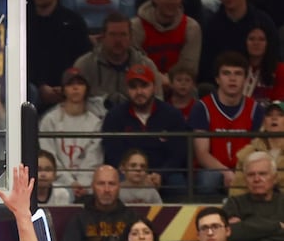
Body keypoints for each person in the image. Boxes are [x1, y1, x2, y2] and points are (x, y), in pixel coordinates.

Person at [99, 64, 187, 200]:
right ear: (127, 90)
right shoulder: (114, 116)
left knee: (178, 183)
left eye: (144, 86)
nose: (139, 92)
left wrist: (161, 174)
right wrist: (135, 174)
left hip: (163, 173)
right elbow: (112, 153)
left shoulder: (172, 114)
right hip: (127, 172)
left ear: (154, 87)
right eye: (133, 87)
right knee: (113, 181)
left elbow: (178, 153)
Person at [190, 50, 265, 197]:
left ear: (245, 79)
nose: (232, 79)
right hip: (214, 170)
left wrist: (240, 173)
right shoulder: (202, 107)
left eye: (238, 74)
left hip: (245, 167)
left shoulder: (255, 109)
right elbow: (202, 154)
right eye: (226, 73)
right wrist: (226, 172)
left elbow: (259, 149)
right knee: (208, 180)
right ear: (217, 79)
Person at [199, 0, 279, 84]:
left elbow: (274, 56)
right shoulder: (212, 26)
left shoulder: (263, 22)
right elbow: (206, 65)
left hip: (260, 85)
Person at [71, 13, 163, 109]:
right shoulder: (85, 65)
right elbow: (74, 104)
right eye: (113, 34)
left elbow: (158, 104)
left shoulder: (146, 65)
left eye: (123, 34)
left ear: (130, 37)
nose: (118, 40)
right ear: (103, 37)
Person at [223, 148, 284, 241]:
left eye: (262, 174)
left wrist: (247, 229)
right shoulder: (235, 203)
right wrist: (277, 226)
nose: (257, 179)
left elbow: (238, 232)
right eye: (251, 175)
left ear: (274, 178)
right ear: (245, 179)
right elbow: (229, 234)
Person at [38, 67, 102, 195]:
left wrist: (82, 185)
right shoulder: (49, 120)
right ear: (63, 89)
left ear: (87, 88)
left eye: (80, 84)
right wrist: (70, 183)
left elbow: (93, 160)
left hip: (87, 186)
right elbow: (49, 158)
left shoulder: (95, 123)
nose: (75, 88)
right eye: (70, 84)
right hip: (57, 186)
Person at [130, 0, 201, 83]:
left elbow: (189, 69)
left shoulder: (191, 28)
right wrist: (160, 80)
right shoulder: (136, 27)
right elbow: (135, 67)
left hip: (180, 87)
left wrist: (169, 81)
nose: (172, 1)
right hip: (145, 87)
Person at [231, 100, 284, 197]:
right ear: (264, 121)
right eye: (269, 115)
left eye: (280, 115)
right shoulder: (247, 153)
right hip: (253, 206)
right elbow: (237, 189)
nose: (274, 118)